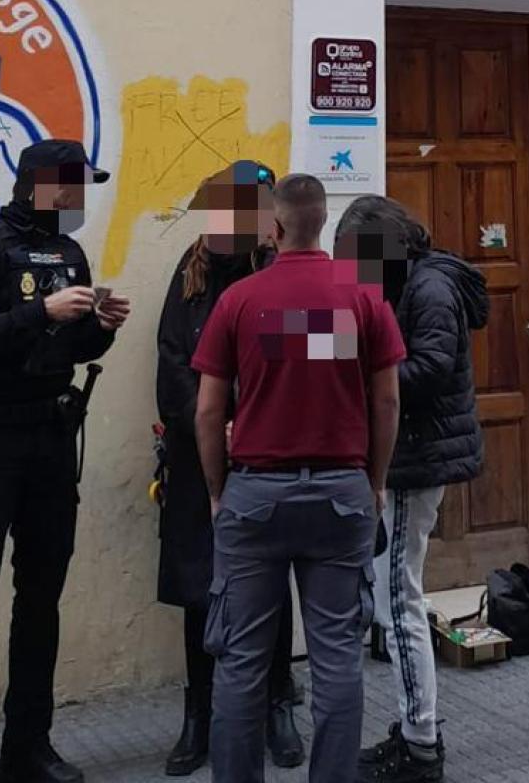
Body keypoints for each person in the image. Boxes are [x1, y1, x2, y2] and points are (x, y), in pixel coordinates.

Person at [0, 139, 131, 783]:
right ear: (43, 184)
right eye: (74, 186)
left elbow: (72, 345)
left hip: (49, 440)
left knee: (41, 600)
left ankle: (27, 748)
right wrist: (41, 311)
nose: (81, 198)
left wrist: (100, 327)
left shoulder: (69, 253)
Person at [192, 174, 405, 783]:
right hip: (341, 495)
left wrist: (217, 491)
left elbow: (207, 412)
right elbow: (387, 401)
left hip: (255, 496)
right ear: (323, 223)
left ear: (275, 226)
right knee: (337, 660)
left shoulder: (239, 300)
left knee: (242, 663)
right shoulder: (363, 298)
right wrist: (375, 481)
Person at [154, 163, 304, 775]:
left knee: (270, 583)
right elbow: (172, 361)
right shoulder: (189, 275)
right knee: (200, 585)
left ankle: (277, 704)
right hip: (198, 459)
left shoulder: (278, 274)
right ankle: (199, 714)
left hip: (265, 456)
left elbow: (301, 360)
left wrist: (253, 424)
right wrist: (209, 426)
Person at [336, 197, 488, 783]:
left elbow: (428, 368)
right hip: (408, 456)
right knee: (394, 597)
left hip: (415, 462)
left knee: (398, 602)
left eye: (358, 258)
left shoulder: (430, 289)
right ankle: (414, 730)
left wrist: (355, 370)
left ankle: (421, 744)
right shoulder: (409, 283)